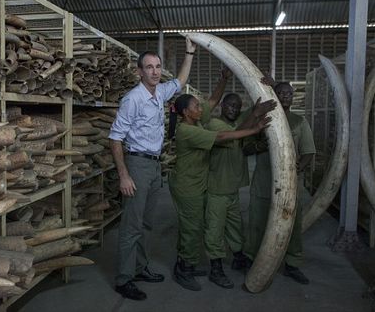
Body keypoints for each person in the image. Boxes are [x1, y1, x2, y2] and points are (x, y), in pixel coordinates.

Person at [108, 38, 197, 301]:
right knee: (132, 226)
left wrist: (190, 52)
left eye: (158, 66)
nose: (155, 71)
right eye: (149, 67)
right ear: (140, 71)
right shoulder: (132, 99)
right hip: (137, 165)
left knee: (147, 224)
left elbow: (180, 81)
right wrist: (124, 174)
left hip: (155, 165)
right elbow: (115, 138)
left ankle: (140, 267)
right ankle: (124, 280)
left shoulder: (159, 93)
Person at [168, 92, 271, 292]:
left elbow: (214, 103)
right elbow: (225, 136)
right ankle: (186, 269)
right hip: (190, 188)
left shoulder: (197, 123)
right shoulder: (201, 127)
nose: (201, 109)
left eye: (237, 106)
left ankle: (186, 263)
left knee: (198, 227)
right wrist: (256, 127)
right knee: (195, 229)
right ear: (186, 112)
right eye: (197, 107)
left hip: (204, 186)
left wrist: (224, 78)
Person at [243, 81, 316, 285]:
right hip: (263, 183)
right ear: (273, 95)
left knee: (292, 225)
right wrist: (259, 145)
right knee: (257, 221)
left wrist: (295, 172)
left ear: (293, 97)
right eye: (280, 93)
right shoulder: (263, 119)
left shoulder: (299, 122)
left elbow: (309, 152)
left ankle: (292, 264)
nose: (285, 96)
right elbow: (245, 148)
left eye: (289, 93)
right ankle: (252, 259)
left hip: (289, 187)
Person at [204, 93, 276, 288]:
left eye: (237, 107)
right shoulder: (214, 125)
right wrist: (255, 114)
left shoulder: (237, 127)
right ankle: (215, 268)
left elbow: (242, 148)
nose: (233, 109)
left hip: (232, 189)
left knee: (235, 226)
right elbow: (235, 136)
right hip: (217, 189)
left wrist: (259, 144)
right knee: (215, 230)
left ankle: (238, 258)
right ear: (222, 106)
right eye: (230, 105)